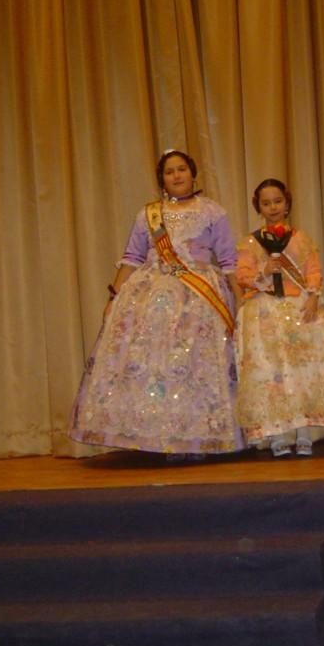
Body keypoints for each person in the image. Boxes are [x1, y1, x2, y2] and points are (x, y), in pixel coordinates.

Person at [68, 150, 245, 460]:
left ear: (193, 173)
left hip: (200, 298)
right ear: (161, 179)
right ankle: (155, 435)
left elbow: (229, 259)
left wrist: (240, 300)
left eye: (182, 169)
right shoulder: (148, 214)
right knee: (149, 363)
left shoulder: (212, 211)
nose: (176, 175)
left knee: (194, 364)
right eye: (169, 171)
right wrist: (113, 299)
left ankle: (197, 437)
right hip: (148, 293)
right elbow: (132, 258)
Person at [233, 179, 324, 457]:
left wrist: (313, 297)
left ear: (287, 203)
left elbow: (313, 271)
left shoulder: (301, 239)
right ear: (258, 207)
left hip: (299, 308)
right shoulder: (250, 242)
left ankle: (304, 433)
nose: (273, 207)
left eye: (278, 201)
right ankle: (277, 435)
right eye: (266, 203)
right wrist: (264, 270)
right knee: (272, 374)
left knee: (303, 372)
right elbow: (243, 276)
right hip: (264, 314)